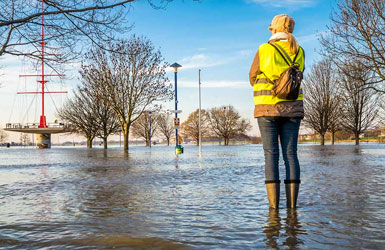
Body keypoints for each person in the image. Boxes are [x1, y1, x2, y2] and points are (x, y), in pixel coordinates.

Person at [249, 14, 305, 209]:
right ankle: (292, 208)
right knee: (291, 154)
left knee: (271, 154)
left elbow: (252, 75)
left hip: (267, 108)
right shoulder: (299, 51)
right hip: (293, 109)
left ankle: (273, 210)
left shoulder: (264, 49)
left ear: (273, 29)